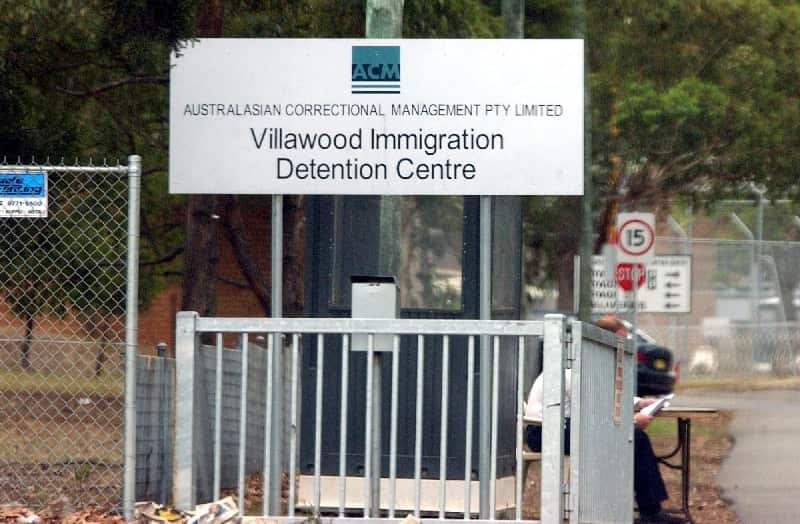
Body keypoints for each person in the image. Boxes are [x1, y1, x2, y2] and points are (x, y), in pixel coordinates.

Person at [525, 315, 685, 524]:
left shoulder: (590, 360)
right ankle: (649, 513)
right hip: (545, 431)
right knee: (635, 438)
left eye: (626, 341)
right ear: (602, 340)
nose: (624, 347)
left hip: (567, 426)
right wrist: (632, 421)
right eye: (620, 341)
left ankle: (647, 511)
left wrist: (638, 403)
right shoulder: (579, 365)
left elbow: (603, 399)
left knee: (635, 438)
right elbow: (598, 414)